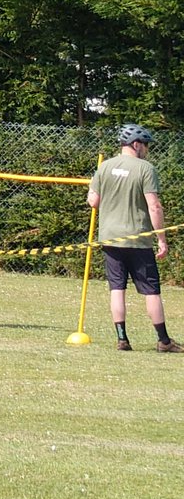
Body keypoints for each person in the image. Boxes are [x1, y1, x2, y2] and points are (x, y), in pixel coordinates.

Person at [87, 123, 181, 352]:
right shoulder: (145, 168)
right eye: (146, 145)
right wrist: (161, 238)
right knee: (151, 290)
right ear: (136, 144)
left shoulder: (105, 167)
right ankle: (163, 341)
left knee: (117, 289)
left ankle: (122, 339)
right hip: (138, 239)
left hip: (110, 238)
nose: (147, 149)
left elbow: (93, 201)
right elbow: (154, 206)